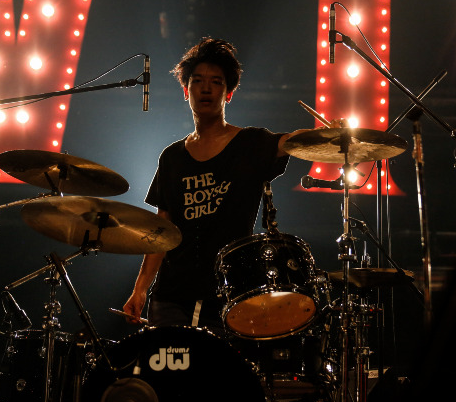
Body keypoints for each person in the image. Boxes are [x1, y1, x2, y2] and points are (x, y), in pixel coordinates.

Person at [123, 38, 315, 333]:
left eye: (216, 82)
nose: (206, 88)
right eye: (198, 81)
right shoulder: (172, 157)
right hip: (171, 295)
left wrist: (327, 136)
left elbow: (290, 141)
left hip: (228, 294)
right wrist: (140, 289)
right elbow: (162, 227)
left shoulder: (250, 143)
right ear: (186, 90)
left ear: (229, 93)